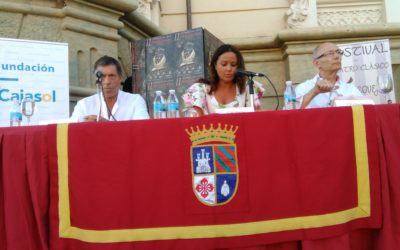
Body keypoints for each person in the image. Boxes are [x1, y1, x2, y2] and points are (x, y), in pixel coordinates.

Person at [182, 44, 264, 116]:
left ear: (239, 67)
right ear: (215, 65)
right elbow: (194, 122)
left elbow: (256, 118)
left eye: (233, 65)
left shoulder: (248, 87)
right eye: (224, 64)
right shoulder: (200, 89)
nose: (229, 69)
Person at [70, 56, 149, 122]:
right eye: (102, 76)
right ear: (96, 79)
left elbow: (142, 130)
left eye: (111, 76)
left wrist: (106, 124)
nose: (107, 81)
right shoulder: (83, 104)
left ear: (120, 78)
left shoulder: (135, 101)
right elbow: (72, 131)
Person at [296, 42, 363, 108]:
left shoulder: (350, 89)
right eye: (330, 53)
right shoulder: (304, 88)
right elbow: (292, 112)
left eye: (339, 52)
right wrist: (314, 92)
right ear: (316, 63)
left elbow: (364, 111)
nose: (337, 56)